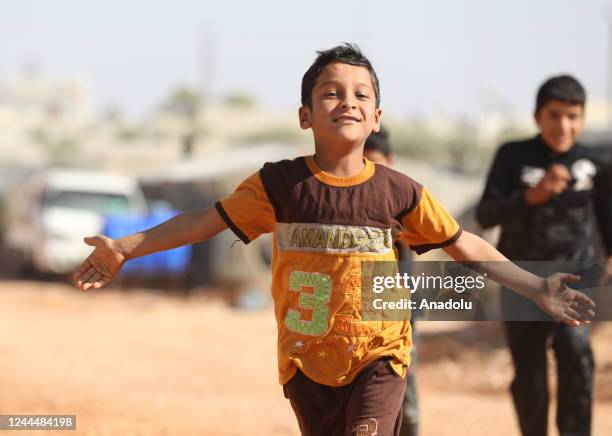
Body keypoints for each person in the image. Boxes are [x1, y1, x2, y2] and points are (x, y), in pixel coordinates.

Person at [75, 45, 595, 436]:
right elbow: (201, 222)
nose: (347, 101)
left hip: (380, 355)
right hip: (304, 360)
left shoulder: (400, 192)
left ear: (376, 117)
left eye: (360, 94)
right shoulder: (278, 185)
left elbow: (468, 246)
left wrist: (535, 287)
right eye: (331, 92)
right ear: (305, 115)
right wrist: (125, 246)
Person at [476, 75, 612, 436]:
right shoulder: (512, 156)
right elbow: (486, 214)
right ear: (538, 117)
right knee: (529, 374)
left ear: (582, 118)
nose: (563, 125)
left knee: (576, 353)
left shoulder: (597, 163)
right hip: (522, 281)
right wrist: (530, 197)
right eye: (554, 115)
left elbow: (607, 216)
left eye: (572, 115)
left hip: (577, 279)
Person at [363, 127, 418, 436]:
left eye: (378, 164)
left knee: (404, 386)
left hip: (400, 309)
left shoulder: (402, 200)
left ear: (391, 161)